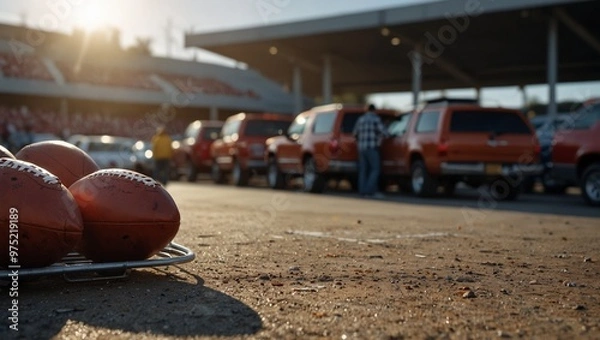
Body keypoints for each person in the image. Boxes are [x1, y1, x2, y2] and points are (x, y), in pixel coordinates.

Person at [353, 104, 387, 198]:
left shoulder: (361, 119)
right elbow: (384, 132)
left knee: (363, 170)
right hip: (372, 147)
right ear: (374, 110)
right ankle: (370, 191)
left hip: (361, 148)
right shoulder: (376, 119)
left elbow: (355, 134)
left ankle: (362, 191)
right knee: (375, 169)